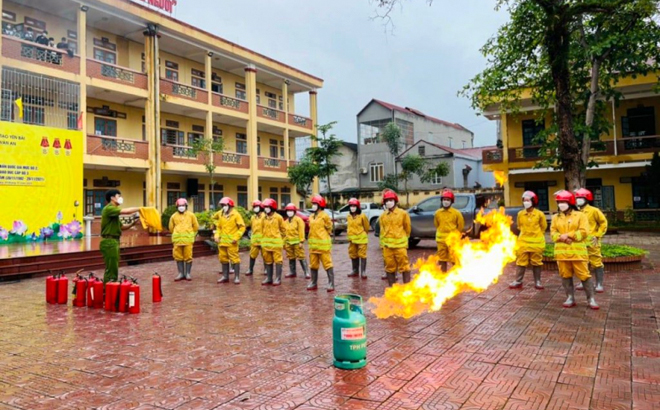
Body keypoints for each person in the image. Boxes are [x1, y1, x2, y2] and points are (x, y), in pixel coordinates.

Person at [551, 190, 599, 310]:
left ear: (570, 202)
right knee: (565, 275)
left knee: (584, 275)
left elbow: (584, 232)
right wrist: (561, 237)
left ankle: (591, 299)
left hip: (577, 253)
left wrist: (568, 235)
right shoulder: (555, 217)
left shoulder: (580, 216)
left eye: (563, 202)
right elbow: (553, 233)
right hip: (562, 254)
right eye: (559, 202)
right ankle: (570, 297)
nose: (561, 204)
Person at [100, 189, 140, 283]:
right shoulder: (109, 208)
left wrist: (133, 223)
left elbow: (122, 227)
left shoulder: (114, 214)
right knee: (111, 268)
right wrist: (141, 208)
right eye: (119, 196)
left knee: (113, 267)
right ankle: (109, 289)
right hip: (109, 242)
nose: (121, 198)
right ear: (112, 198)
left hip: (114, 241)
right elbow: (126, 211)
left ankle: (111, 287)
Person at [510, 191, 547, 289]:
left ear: (533, 201)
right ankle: (518, 281)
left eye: (528, 200)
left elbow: (543, 227)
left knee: (537, 262)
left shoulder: (540, 214)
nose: (526, 202)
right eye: (524, 200)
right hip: (523, 242)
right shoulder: (520, 214)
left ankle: (538, 282)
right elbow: (519, 226)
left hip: (536, 242)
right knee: (521, 262)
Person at [574, 188, 608, 293]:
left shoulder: (594, 211)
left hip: (592, 241)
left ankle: (599, 284)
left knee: (596, 262)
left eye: (581, 198)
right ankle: (583, 281)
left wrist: (597, 235)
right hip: (580, 241)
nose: (578, 200)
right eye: (577, 198)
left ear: (587, 199)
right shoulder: (576, 212)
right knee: (582, 262)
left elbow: (603, 223)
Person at [379, 190, 412, 286]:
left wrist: (404, 241)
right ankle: (392, 290)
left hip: (400, 247)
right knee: (389, 268)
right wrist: (382, 245)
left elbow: (408, 228)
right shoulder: (383, 216)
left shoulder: (403, 214)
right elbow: (382, 231)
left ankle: (406, 288)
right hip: (387, 248)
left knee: (405, 267)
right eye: (387, 200)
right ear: (384, 203)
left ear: (395, 201)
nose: (389, 202)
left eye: (390, 200)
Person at [213, 197, 245, 284]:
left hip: (232, 242)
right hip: (222, 242)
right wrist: (216, 235)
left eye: (225, 205)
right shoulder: (221, 215)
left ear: (230, 206)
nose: (223, 207)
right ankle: (225, 276)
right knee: (223, 259)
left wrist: (236, 237)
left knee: (235, 259)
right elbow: (219, 227)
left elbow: (242, 227)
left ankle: (237, 277)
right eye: (222, 205)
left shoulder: (236, 215)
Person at [307, 195, 334, 291]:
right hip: (313, 247)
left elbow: (329, 228)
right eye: (313, 204)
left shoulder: (325, 216)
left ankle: (331, 283)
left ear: (320, 205)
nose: (313, 205)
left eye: (315, 204)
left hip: (323, 246)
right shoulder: (311, 216)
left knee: (327, 264)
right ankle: (313, 283)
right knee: (313, 265)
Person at [434, 189, 464, 272]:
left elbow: (460, 226)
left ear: (451, 201)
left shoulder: (456, 213)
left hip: (452, 241)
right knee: (442, 259)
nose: (446, 202)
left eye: (448, 200)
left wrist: (454, 235)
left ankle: (456, 277)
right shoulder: (437, 213)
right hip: (441, 240)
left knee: (454, 259)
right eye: (444, 200)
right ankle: (443, 277)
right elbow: (436, 224)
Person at [169, 198, 199, 281]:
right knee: (178, 257)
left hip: (188, 240)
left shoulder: (191, 215)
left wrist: (191, 235)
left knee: (188, 257)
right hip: (177, 241)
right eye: (179, 206)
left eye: (183, 205)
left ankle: (188, 273)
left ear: (186, 206)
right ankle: (181, 273)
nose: (181, 207)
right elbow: (171, 228)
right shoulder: (173, 216)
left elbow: (196, 226)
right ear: (177, 206)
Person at [260, 198, 286, 286]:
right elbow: (261, 229)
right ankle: (269, 278)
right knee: (268, 261)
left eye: (267, 207)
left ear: (272, 207)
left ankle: (278, 278)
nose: (266, 208)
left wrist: (281, 241)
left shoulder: (278, 217)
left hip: (276, 245)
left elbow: (283, 230)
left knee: (278, 261)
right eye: (265, 207)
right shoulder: (264, 218)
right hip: (266, 245)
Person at [283, 203, 309, 279]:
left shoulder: (298, 220)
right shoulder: (286, 222)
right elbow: (284, 233)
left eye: (291, 210)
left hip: (297, 243)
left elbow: (301, 231)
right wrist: (284, 243)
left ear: (294, 211)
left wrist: (301, 241)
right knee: (291, 257)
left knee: (301, 257)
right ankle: (292, 272)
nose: (289, 212)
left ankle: (306, 272)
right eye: (288, 211)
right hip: (289, 243)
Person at [346, 198, 369, 279]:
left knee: (362, 255)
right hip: (352, 240)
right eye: (351, 206)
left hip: (361, 239)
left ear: (357, 207)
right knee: (353, 254)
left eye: (354, 206)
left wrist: (363, 234)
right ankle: (355, 270)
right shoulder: (348, 216)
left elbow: (366, 227)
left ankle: (363, 271)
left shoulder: (362, 216)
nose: (352, 207)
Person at [246, 200, 264, 276]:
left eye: (256, 207)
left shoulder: (265, 216)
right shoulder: (253, 217)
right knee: (252, 255)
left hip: (264, 239)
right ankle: (250, 269)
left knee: (265, 255)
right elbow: (252, 227)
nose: (255, 208)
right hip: (255, 240)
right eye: (254, 207)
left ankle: (266, 269)